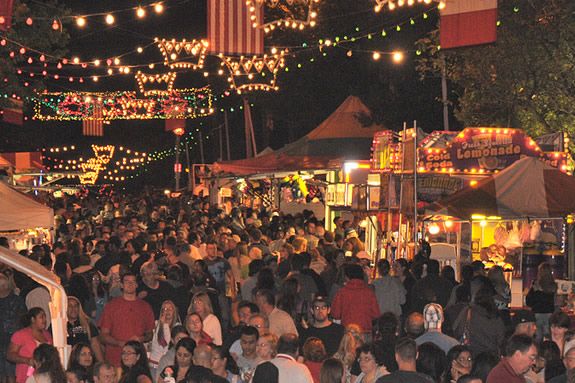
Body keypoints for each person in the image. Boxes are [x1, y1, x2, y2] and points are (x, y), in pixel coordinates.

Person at [99, 273, 155, 367]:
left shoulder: (145, 307)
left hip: (137, 361)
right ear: (121, 285)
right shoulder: (111, 306)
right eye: (126, 281)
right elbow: (103, 336)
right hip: (115, 360)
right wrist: (119, 343)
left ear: (137, 285)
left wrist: (142, 338)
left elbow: (150, 334)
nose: (130, 284)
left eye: (133, 281)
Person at [331, 264, 380, 337]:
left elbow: (335, 314)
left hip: (348, 330)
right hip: (365, 330)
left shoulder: (342, 292)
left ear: (347, 277)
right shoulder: (369, 292)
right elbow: (376, 314)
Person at [7, 308, 52, 383]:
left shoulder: (47, 335)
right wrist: (27, 360)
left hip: (46, 377)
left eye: (45, 317)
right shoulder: (20, 335)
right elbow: (10, 355)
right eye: (41, 317)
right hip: (26, 377)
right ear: (33, 319)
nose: (44, 320)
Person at [0, 272, 27, 383]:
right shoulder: (18, 301)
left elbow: (24, 321)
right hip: (4, 343)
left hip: (14, 344)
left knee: (12, 374)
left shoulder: (17, 301)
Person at [526, 262, 557, 342]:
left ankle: (538, 352)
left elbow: (529, 301)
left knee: (537, 337)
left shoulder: (536, 285)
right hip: (549, 313)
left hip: (537, 312)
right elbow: (555, 301)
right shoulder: (553, 286)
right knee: (548, 336)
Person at [67, 296, 104, 363]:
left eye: (75, 306)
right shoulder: (58, 325)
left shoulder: (88, 323)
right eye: (70, 306)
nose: (73, 309)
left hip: (87, 360)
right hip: (69, 361)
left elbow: (95, 344)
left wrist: (101, 363)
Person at [148, 300, 180, 376]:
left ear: (174, 311)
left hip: (168, 365)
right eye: (164, 309)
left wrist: (164, 325)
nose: (167, 311)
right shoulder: (156, 324)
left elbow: (164, 343)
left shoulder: (177, 327)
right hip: (154, 364)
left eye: (170, 309)